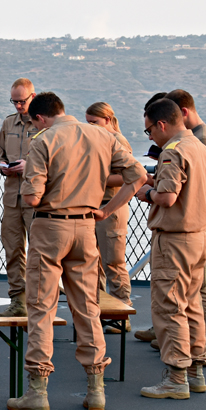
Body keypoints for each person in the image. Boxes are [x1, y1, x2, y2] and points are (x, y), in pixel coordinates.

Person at [6, 92, 146, 410]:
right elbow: (138, 177)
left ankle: (38, 392)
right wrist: (107, 209)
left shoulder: (42, 141)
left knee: (41, 307)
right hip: (86, 227)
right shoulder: (104, 135)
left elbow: (30, 198)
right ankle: (96, 390)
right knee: (88, 307)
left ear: (39, 118)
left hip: (50, 228)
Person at [136, 99, 206, 400]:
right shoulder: (202, 149)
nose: (150, 138)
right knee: (192, 304)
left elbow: (168, 197)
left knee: (169, 306)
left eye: (149, 131)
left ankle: (176, 376)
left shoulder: (173, 151)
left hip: (175, 239)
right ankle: (196, 370)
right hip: (200, 236)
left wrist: (146, 192)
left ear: (161, 124)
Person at [166, 89, 206, 367]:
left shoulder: (201, 142)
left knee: (196, 289)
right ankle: (197, 350)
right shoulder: (198, 141)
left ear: (182, 113)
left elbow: (196, 188)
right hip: (198, 221)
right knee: (192, 289)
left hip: (194, 223)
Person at [85, 102, 134, 333]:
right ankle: (99, 311)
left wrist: (96, 179)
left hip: (111, 206)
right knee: (94, 265)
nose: (91, 127)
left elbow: (128, 177)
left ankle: (121, 313)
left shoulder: (118, 141)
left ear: (107, 119)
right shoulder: (99, 141)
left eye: (94, 122)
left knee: (113, 262)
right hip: (96, 206)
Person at [0, 78, 41, 317]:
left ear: (33, 96)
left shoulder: (44, 124)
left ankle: (39, 301)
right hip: (12, 197)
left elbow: (55, 160)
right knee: (12, 249)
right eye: (14, 101)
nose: (18, 106)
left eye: (22, 101)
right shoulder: (8, 123)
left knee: (39, 251)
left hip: (36, 198)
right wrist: (2, 165)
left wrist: (29, 165)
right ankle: (18, 301)